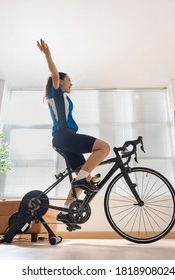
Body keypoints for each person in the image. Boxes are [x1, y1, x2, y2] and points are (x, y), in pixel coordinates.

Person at [37, 39, 110, 227]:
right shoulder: (57, 93)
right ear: (60, 82)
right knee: (104, 147)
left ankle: (68, 211)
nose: (71, 83)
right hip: (64, 136)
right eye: (69, 80)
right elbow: (54, 75)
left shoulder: (63, 98)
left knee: (83, 180)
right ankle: (82, 179)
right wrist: (48, 56)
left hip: (64, 139)